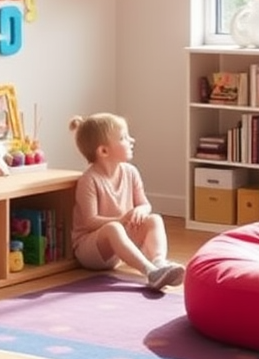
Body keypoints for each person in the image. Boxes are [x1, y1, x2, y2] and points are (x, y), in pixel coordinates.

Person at [69, 113, 185, 293]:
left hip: (118, 247)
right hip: (90, 250)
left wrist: (140, 210)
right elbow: (89, 221)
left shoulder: (131, 172)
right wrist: (122, 219)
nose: (132, 140)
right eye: (123, 138)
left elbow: (145, 204)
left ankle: (159, 262)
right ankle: (150, 272)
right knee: (113, 228)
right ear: (104, 151)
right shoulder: (89, 180)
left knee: (154, 219)